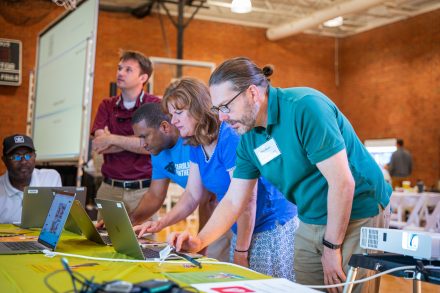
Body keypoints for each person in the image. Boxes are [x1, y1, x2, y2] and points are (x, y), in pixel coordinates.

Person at [169, 58, 392, 292]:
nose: (222, 117)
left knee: (347, 287)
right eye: (218, 109)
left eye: (226, 107)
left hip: (359, 209)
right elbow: (235, 200)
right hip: (312, 214)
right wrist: (200, 241)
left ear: (252, 93)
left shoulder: (305, 107)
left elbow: (343, 183)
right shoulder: (248, 139)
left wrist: (331, 247)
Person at [135, 78, 298, 281]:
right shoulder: (194, 141)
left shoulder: (229, 136)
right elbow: (193, 195)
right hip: (241, 227)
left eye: (179, 113)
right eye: (171, 114)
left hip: (269, 224)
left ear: (198, 108)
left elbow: (246, 201)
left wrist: (241, 251)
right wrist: (160, 224)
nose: (174, 121)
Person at [129, 103, 232, 261]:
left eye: (144, 136)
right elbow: (155, 195)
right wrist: (129, 221)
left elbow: (208, 200)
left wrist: (200, 244)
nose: (142, 144)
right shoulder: (157, 152)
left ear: (164, 127)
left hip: (224, 213)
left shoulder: (191, 142)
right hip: (216, 213)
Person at [91, 50, 160, 216]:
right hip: (109, 190)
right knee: (104, 242)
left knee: (146, 242)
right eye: (119, 68)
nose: (120, 73)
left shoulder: (154, 104)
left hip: (144, 192)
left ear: (143, 78)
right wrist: (138, 142)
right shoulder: (106, 105)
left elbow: (152, 145)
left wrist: (112, 138)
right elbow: (99, 145)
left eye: (128, 70)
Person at [0, 134, 62, 223]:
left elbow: (58, 220)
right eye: (16, 156)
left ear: (35, 156)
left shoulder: (51, 178)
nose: (23, 161)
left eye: (28, 155)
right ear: (4, 160)